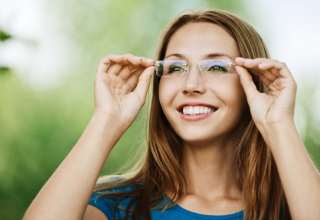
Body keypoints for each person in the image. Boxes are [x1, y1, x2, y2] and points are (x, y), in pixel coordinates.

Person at [23, 9, 320, 220]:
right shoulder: (117, 205)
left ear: (253, 84)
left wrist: (278, 124)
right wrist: (106, 119)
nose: (191, 85)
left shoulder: (293, 203)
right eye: (176, 68)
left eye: (216, 67)